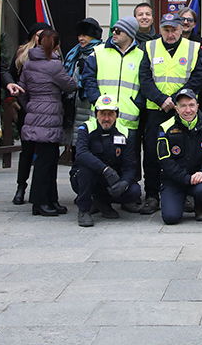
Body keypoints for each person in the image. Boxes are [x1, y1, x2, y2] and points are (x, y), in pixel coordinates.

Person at [81, 16, 151, 206]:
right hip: (102, 118)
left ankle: (128, 195)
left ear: (129, 34)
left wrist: (138, 104)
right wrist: (97, 101)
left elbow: (145, 83)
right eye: (113, 30)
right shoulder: (98, 52)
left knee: (129, 160)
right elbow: (88, 79)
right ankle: (97, 196)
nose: (114, 33)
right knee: (99, 156)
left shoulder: (141, 55)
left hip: (128, 119)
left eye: (118, 31)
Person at [140, 12, 202, 214]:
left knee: (185, 154)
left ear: (182, 29)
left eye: (174, 29)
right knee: (152, 154)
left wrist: (177, 100)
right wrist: (161, 100)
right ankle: (152, 195)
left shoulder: (194, 48)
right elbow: (144, 79)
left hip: (183, 111)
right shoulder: (150, 47)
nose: (170, 34)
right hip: (156, 110)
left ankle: (184, 193)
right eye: (166, 30)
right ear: (160, 30)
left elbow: (197, 79)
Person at [12, 27, 79, 217]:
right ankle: (40, 202)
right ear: (56, 45)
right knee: (45, 163)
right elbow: (70, 85)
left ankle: (51, 199)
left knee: (46, 160)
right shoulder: (54, 65)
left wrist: (31, 107)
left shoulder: (28, 63)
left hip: (34, 115)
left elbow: (22, 92)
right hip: (49, 116)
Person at [71, 94, 141, 228]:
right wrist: (105, 170)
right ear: (96, 114)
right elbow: (81, 154)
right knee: (85, 168)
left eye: (111, 114)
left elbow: (130, 165)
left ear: (117, 115)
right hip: (86, 178)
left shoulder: (125, 133)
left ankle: (102, 202)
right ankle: (84, 209)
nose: (106, 118)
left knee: (134, 191)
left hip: (112, 180)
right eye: (103, 114)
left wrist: (124, 182)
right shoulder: (86, 128)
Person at [155, 88, 202, 224]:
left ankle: (200, 207)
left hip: (199, 180)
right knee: (171, 218)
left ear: (197, 106)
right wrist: (186, 178)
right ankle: (178, 200)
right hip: (174, 180)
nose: (188, 110)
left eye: (191, 105)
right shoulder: (165, 128)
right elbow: (165, 161)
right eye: (183, 106)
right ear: (176, 109)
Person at [8, 22, 49, 203]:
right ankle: (21, 187)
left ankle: (40, 190)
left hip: (45, 109)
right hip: (25, 109)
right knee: (26, 150)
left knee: (44, 151)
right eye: (38, 35)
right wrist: (12, 100)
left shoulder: (52, 55)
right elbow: (9, 77)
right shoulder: (21, 55)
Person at [63, 18, 102, 150]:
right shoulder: (74, 54)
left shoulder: (101, 52)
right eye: (79, 35)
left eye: (84, 35)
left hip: (92, 102)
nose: (81, 38)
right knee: (77, 141)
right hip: (76, 104)